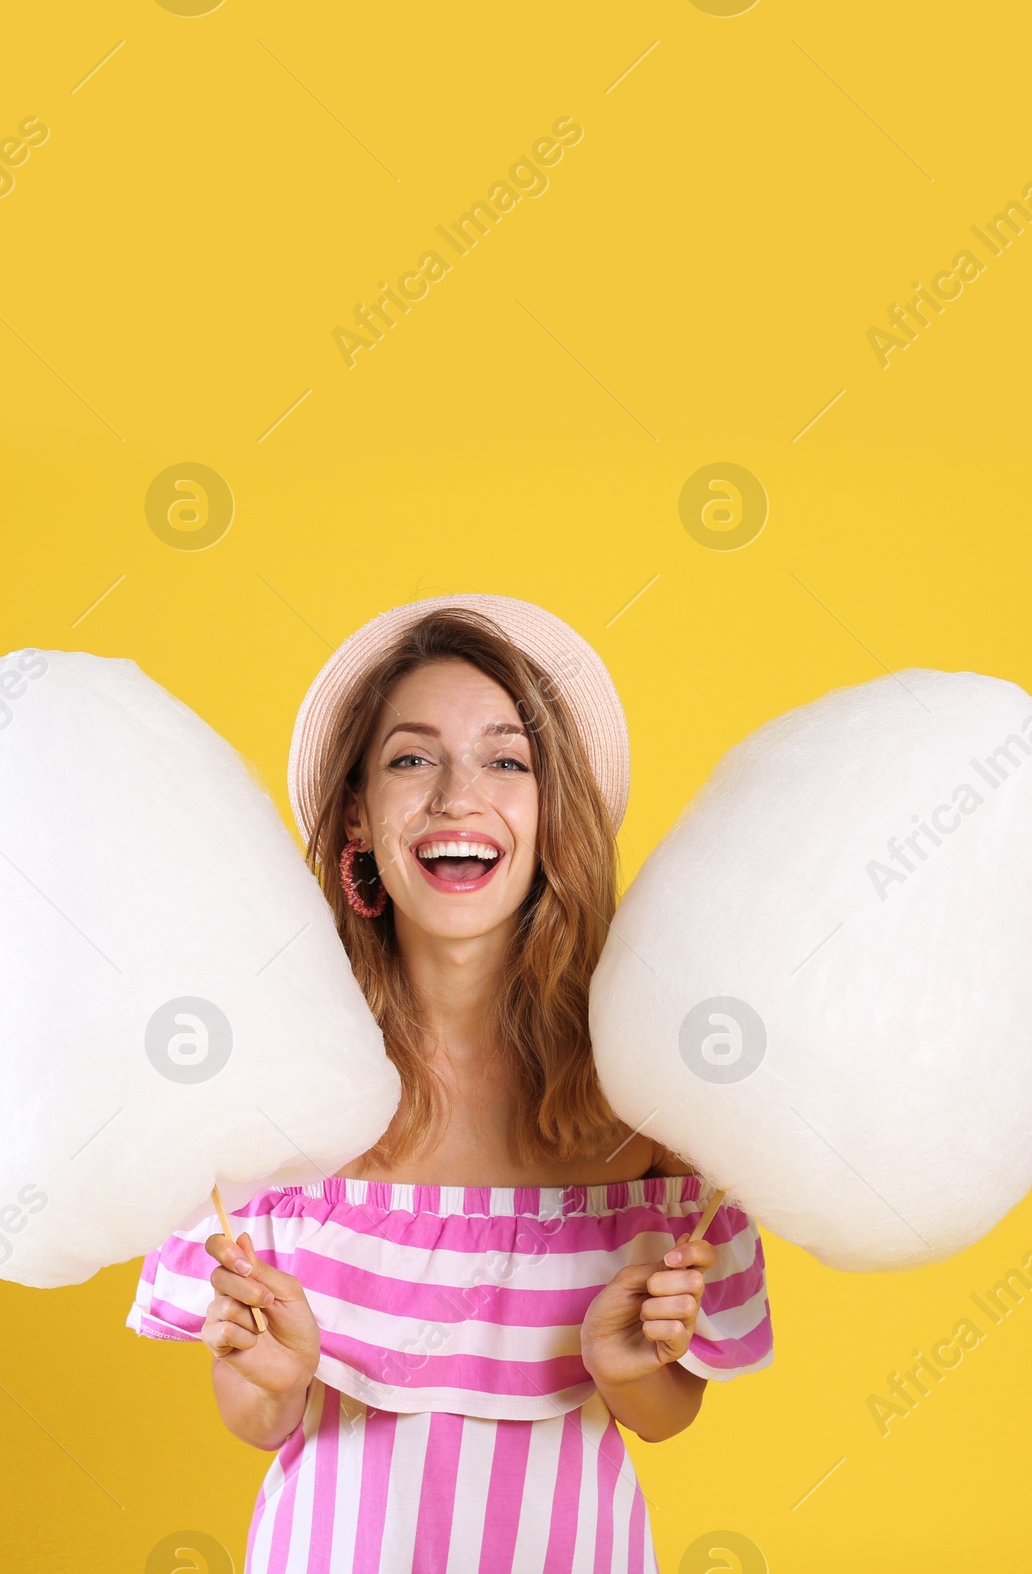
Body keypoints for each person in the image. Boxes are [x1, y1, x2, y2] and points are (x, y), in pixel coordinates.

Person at [128, 597, 773, 1571]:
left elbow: (665, 1414)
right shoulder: (274, 1092)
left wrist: (623, 1367)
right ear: (358, 810)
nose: (456, 796)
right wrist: (272, 1378)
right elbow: (257, 1416)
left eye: (507, 760)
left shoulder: (643, 1106)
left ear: (552, 810)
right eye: (411, 758)